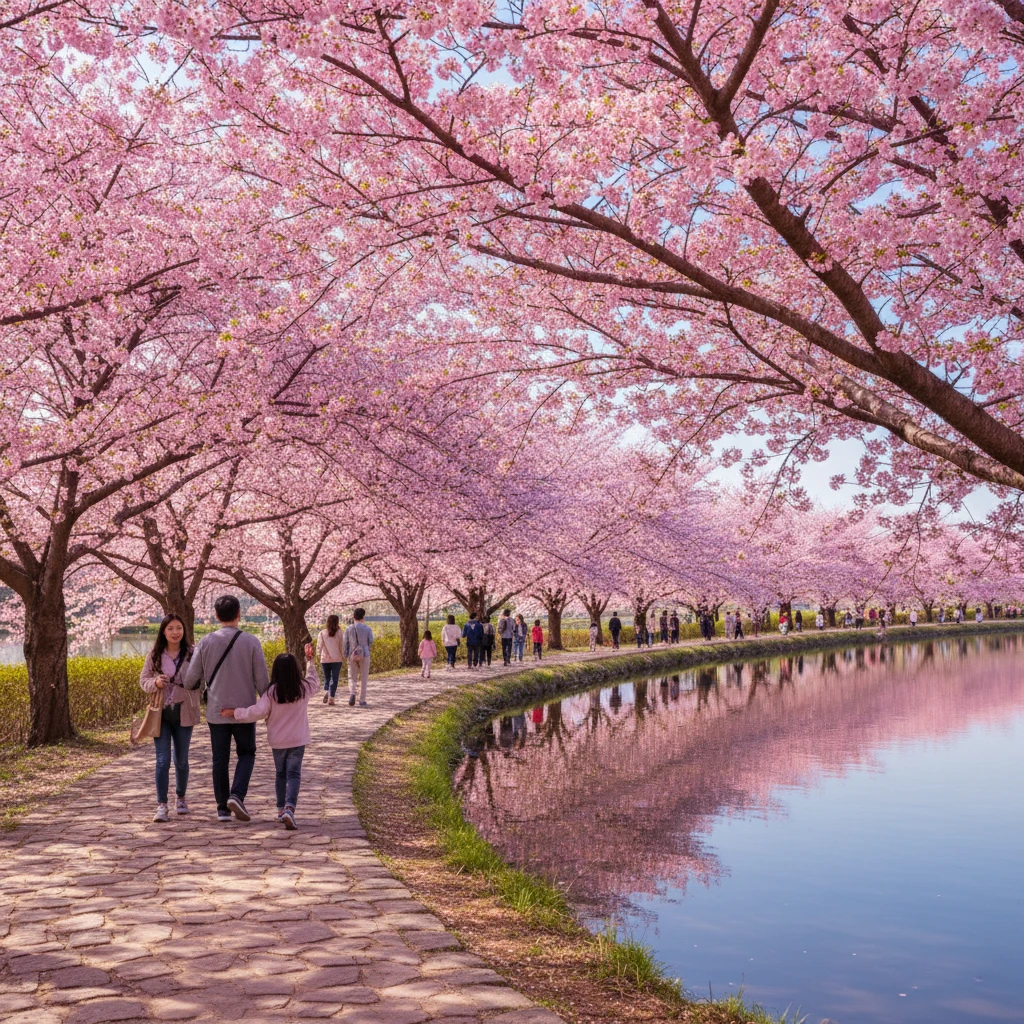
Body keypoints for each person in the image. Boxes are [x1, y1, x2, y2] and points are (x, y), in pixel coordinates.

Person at [184, 594, 270, 823]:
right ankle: (237, 795)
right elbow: (263, 682)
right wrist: (270, 708)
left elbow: (190, 680)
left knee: (219, 758)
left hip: (216, 710)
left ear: (215, 616)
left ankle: (222, 808)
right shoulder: (252, 642)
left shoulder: (205, 642)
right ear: (239, 613)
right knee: (247, 753)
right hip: (245, 711)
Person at [222, 643, 319, 831]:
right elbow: (314, 681)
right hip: (298, 740)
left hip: (278, 741)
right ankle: (290, 808)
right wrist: (310, 661)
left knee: (281, 774)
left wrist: (235, 712)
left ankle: (281, 809)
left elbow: (257, 712)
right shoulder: (303, 688)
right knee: (294, 774)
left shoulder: (272, 692)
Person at [140, 613, 199, 823]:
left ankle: (181, 797)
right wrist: (155, 682)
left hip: (184, 711)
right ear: (163, 632)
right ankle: (162, 805)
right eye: (171, 629)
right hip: (161, 713)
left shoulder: (193, 653)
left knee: (181, 760)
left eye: (179, 628)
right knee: (163, 760)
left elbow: (202, 678)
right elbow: (143, 680)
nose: (176, 633)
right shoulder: (155, 655)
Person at [344, 608, 374, 706]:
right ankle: (362, 700)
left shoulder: (349, 629)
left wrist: (346, 654)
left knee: (352, 677)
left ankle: (352, 693)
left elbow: (345, 643)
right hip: (364, 654)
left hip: (352, 654)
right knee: (364, 677)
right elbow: (371, 641)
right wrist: (366, 648)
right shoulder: (367, 629)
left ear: (353, 617)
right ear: (363, 617)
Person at [317, 614, 344, 706]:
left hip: (324, 659)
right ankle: (331, 697)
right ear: (337, 622)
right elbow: (342, 647)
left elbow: (319, 647)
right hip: (337, 659)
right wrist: (344, 656)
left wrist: (318, 656)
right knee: (334, 678)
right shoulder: (340, 633)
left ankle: (326, 691)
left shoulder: (322, 633)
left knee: (327, 677)